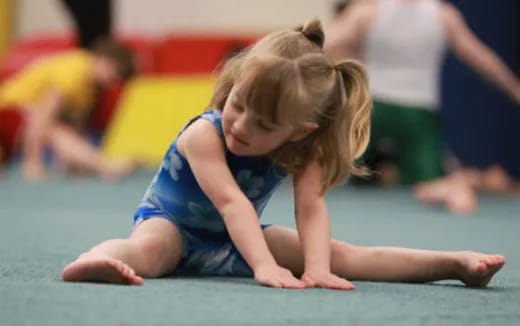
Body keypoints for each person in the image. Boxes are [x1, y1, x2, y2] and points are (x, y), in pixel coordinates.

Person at [62, 20, 505, 289]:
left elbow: (310, 209)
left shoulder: (304, 149)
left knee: (342, 254)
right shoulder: (204, 134)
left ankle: (452, 262)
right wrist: (265, 266)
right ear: (232, 85)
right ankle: (94, 260)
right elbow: (233, 203)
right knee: (153, 249)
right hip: (175, 224)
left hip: (239, 236)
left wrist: (317, 269)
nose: (240, 125)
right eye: (238, 105)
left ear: (300, 130)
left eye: (264, 125)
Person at [325, 0, 520, 186]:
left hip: (373, 111)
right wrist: (513, 88)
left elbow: (325, 43)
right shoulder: (444, 16)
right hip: (414, 114)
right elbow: (480, 58)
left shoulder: (368, 10)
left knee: (345, 174)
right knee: (427, 181)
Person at [0, 38, 136, 181]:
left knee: (61, 130)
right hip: (9, 109)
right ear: (106, 62)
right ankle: (104, 165)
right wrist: (33, 161)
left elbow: (73, 124)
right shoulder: (75, 70)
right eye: (114, 75)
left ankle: (99, 163)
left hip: (21, 118)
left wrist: (69, 158)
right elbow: (42, 118)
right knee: (52, 127)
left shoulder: (89, 87)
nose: (112, 83)